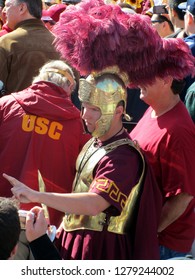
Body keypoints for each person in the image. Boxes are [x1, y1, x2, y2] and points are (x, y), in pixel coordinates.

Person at [3, 68, 162, 260]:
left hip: (101, 248)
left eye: (94, 109)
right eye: (84, 106)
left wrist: (36, 195)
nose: (85, 115)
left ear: (118, 111)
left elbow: (95, 204)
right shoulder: (93, 142)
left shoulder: (123, 157)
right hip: (74, 238)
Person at [0, 59, 90, 259]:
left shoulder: (6, 104)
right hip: (46, 223)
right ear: (69, 88)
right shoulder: (78, 122)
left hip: (4, 218)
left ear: (38, 79)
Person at [130, 69, 195, 258]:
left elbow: (182, 197)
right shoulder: (154, 109)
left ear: (167, 80)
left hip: (162, 247)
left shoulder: (179, 132)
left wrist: (146, 234)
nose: (138, 79)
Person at [0, 0, 60, 95]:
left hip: (14, 109)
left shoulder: (6, 43)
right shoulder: (60, 44)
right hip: (57, 109)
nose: (4, 11)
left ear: (22, 8)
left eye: (7, 6)